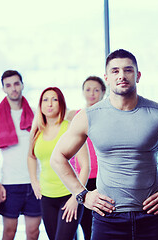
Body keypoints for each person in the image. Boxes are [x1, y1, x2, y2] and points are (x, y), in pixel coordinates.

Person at [50, 49, 158, 240]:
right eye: (115, 71)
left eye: (128, 70)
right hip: (107, 219)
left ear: (138, 76)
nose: (122, 75)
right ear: (106, 77)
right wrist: (83, 195)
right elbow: (58, 158)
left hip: (151, 217)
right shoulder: (88, 117)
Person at [27, 87, 90, 240]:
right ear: (40, 105)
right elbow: (31, 156)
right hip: (47, 197)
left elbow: (85, 166)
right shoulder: (36, 131)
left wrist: (77, 197)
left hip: (69, 195)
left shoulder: (70, 128)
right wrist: (34, 181)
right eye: (45, 100)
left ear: (61, 104)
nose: (50, 104)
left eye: (54, 99)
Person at [0, 70, 41, 240]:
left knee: (33, 233)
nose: (13, 88)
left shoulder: (36, 115)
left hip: (35, 182)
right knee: (9, 233)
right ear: (3, 88)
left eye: (16, 84)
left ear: (22, 85)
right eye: (8, 85)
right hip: (10, 183)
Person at [66, 76, 106, 240]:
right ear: (82, 92)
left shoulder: (107, 115)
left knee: (96, 227)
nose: (92, 94)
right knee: (76, 224)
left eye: (96, 90)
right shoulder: (72, 116)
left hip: (102, 178)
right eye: (88, 89)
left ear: (103, 93)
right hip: (79, 178)